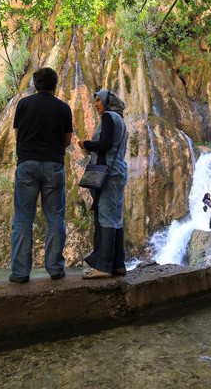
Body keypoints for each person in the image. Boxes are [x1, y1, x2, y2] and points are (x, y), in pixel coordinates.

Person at [10, 67, 73, 283]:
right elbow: (67, 141)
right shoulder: (64, 108)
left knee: (23, 218)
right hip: (53, 166)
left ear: (35, 85)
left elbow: (17, 135)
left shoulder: (23, 104)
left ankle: (19, 273)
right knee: (55, 218)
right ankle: (55, 269)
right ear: (55, 86)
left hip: (27, 164)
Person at [79, 90, 128, 278]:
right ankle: (118, 264)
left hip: (107, 173)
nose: (96, 103)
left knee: (106, 216)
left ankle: (104, 267)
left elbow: (106, 143)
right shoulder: (120, 120)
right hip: (117, 172)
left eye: (99, 100)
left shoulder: (108, 116)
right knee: (115, 216)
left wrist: (87, 145)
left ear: (108, 101)